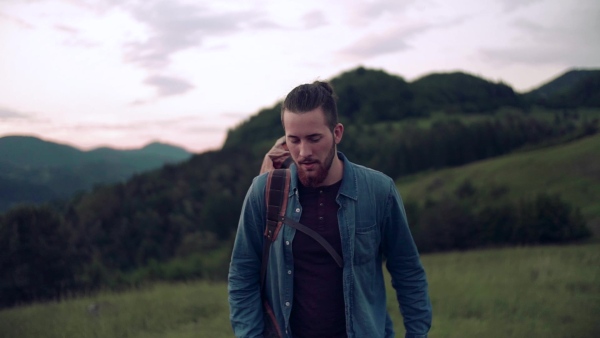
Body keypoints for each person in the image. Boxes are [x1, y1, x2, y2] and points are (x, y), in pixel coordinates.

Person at [228, 81, 432, 338]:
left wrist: (417, 334)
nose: (304, 152)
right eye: (294, 140)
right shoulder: (264, 192)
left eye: (314, 139)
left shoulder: (379, 191)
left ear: (337, 133)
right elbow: (242, 274)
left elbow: (408, 271)